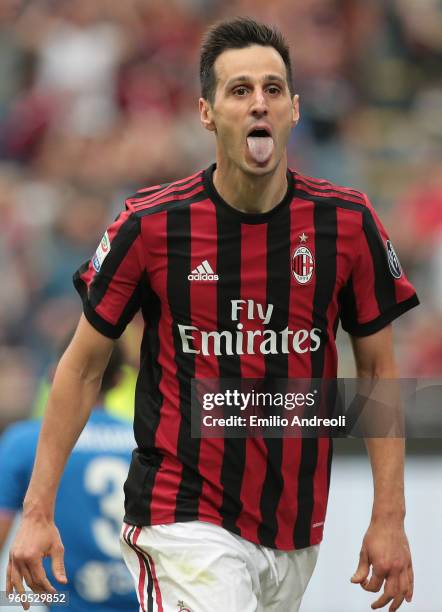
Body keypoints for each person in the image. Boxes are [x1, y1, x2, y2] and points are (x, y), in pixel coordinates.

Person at [6, 17, 418, 612]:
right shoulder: (149, 225)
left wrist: (389, 518)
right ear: (206, 112)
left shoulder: (347, 223)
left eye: (273, 90)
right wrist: (38, 511)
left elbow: (379, 374)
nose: (259, 104)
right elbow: (82, 368)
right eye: (240, 90)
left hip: (294, 532)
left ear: (295, 109)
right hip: (181, 518)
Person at [0, 343, 138, 611]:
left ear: (54, 374)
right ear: (120, 380)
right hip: (141, 600)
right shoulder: (146, 443)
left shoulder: (24, 442)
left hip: (67, 603)